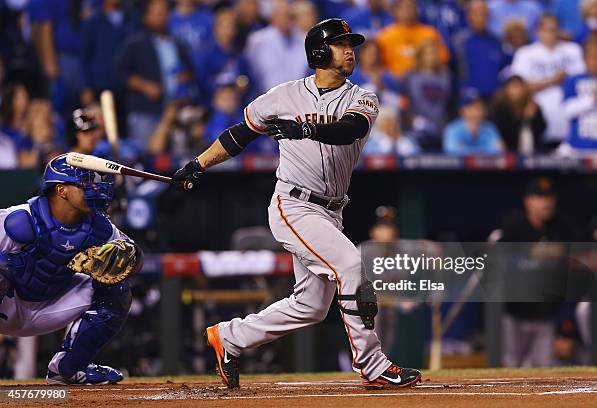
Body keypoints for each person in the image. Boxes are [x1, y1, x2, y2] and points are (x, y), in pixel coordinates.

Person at [172, 18, 422, 389]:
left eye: (351, 43)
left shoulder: (363, 97)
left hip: (332, 209)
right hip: (294, 204)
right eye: (340, 44)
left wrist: (307, 129)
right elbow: (239, 135)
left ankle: (230, 337)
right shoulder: (283, 95)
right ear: (319, 52)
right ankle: (372, 364)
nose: (350, 50)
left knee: (310, 306)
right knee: (351, 265)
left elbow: (350, 129)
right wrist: (198, 164)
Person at [0, 154, 142, 384]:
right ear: (61, 190)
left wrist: (127, 257)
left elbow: (135, 259)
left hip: (50, 307)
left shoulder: (99, 227)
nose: (95, 188)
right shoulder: (19, 219)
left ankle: (66, 370)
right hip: (8, 306)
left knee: (116, 286)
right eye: (85, 183)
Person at [497, 177, 580, 367]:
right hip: (514, 314)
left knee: (544, 373)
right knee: (509, 370)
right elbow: (499, 261)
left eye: (549, 197)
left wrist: (565, 329)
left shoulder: (562, 226)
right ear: (528, 201)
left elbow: (581, 261)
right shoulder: (513, 226)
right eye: (540, 197)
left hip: (548, 316)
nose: (546, 202)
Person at [115, 0, 194, 151]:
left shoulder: (176, 43)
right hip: (146, 111)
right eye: (157, 13)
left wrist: (185, 77)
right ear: (146, 17)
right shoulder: (136, 42)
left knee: (177, 162)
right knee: (146, 160)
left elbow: (189, 71)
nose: (162, 16)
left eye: (164, 12)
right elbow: (120, 72)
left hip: (175, 110)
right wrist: (144, 86)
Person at [511, 14, 585, 143]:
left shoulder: (573, 50)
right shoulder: (525, 53)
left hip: (569, 116)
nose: (551, 34)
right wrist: (552, 80)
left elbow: (584, 80)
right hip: (539, 117)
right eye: (547, 29)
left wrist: (567, 80)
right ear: (538, 31)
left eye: (554, 29)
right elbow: (518, 86)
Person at [244, 0, 309, 94]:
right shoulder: (258, 40)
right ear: (273, 17)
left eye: (290, 16)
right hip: (265, 97)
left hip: (297, 98)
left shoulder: (302, 39)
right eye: (283, 15)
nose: (287, 20)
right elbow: (253, 72)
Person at [561, 39, 597, 151]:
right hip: (579, 146)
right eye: (594, 57)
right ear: (585, 59)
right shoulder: (573, 80)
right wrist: (592, 99)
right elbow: (567, 111)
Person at [401, 40, 451, 150]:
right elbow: (402, 103)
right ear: (420, 56)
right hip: (417, 129)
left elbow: (449, 103)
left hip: (440, 127)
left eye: (434, 53)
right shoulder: (410, 76)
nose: (432, 57)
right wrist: (412, 120)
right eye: (428, 54)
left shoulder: (445, 76)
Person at [376, 0, 449, 77]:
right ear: (396, 11)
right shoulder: (385, 36)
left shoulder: (429, 34)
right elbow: (379, 66)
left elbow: (442, 59)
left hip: (425, 80)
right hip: (396, 82)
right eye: (403, 8)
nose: (407, 11)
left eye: (411, 7)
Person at [453, 0, 505, 101]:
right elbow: (454, 72)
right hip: (468, 101)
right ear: (468, 16)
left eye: (484, 14)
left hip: (493, 100)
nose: (480, 18)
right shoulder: (459, 41)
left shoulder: (497, 41)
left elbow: (502, 70)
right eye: (476, 14)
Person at [491, 74, 547, 153]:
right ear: (506, 89)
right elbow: (503, 132)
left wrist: (530, 119)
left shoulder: (532, 106)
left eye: (519, 87)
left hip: (531, 150)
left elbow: (541, 129)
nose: (516, 91)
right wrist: (525, 119)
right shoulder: (499, 107)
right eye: (513, 87)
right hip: (506, 149)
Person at [443, 88, 504, 155]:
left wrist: (466, 150)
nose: (475, 111)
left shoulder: (490, 128)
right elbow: (452, 152)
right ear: (462, 110)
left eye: (478, 106)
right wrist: (484, 152)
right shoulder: (452, 128)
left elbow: (499, 151)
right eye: (470, 107)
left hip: (487, 166)